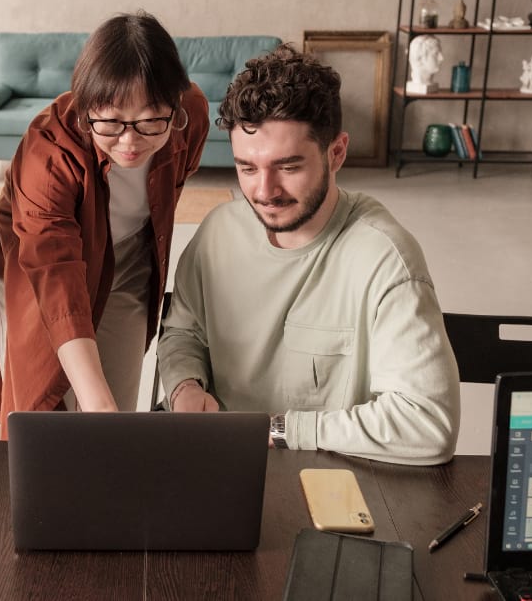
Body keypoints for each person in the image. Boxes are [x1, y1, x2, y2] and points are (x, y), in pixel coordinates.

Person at [158, 44, 460, 466]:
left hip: (328, 473)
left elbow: (428, 423)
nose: (264, 192)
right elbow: (184, 333)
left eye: (289, 167)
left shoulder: (386, 258)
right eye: (247, 168)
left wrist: (279, 430)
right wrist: (184, 388)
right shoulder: (217, 233)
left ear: (336, 153)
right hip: (217, 465)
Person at [0, 12, 210, 435]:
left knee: (113, 401)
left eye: (151, 120)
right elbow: (54, 270)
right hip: (39, 273)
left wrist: (104, 406)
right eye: (111, 122)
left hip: (130, 262)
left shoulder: (190, 114)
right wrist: (96, 401)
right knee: (40, 405)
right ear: (85, 109)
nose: (131, 142)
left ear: (174, 106)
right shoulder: (48, 151)